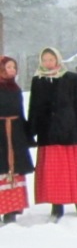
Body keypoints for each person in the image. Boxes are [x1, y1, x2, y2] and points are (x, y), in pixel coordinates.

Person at [26, 47, 77, 221]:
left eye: (51, 59)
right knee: (55, 173)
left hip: (72, 133)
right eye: (45, 60)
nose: (48, 63)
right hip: (48, 133)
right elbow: (34, 107)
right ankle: (57, 206)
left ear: (58, 59)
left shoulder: (73, 79)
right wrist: (30, 131)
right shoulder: (38, 81)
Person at [0, 56, 34, 225]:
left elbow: (20, 112)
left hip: (15, 133)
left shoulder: (15, 88)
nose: (12, 70)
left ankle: (11, 210)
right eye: (8, 67)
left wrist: (27, 135)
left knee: (14, 170)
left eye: (14, 66)